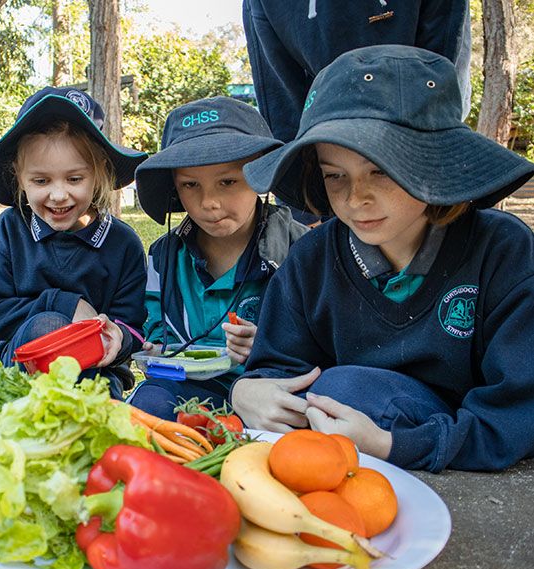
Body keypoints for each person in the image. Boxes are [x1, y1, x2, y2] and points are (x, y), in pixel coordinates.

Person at [234, 45, 534, 472]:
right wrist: (247, 390)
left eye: (383, 169)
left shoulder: (505, 251)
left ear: (436, 163)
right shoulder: (311, 259)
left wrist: (391, 444)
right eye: (334, 175)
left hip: (435, 440)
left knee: (346, 387)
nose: (356, 198)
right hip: (331, 454)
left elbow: (519, 410)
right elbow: (278, 365)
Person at [127, 97, 308, 421]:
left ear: (260, 174)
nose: (209, 202)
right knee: (148, 404)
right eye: (190, 185)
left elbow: (328, 349)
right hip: (192, 397)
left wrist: (269, 346)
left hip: (273, 403)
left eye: (227, 181)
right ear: (173, 189)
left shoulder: (302, 250)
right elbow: (155, 327)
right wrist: (154, 348)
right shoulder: (163, 257)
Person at [0, 87, 148, 399]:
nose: (58, 195)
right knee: (49, 324)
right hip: (27, 377)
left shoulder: (124, 244)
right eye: (41, 181)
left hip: (101, 379)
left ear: (99, 173)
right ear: (19, 177)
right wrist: (64, 305)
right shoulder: (8, 232)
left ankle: (87, 420)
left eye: (74, 179)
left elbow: (133, 325)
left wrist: (118, 335)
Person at [242, 0, 472, 220]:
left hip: (419, 142)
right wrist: (305, 207)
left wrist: (437, 174)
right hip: (326, 149)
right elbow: (280, 96)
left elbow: (442, 66)